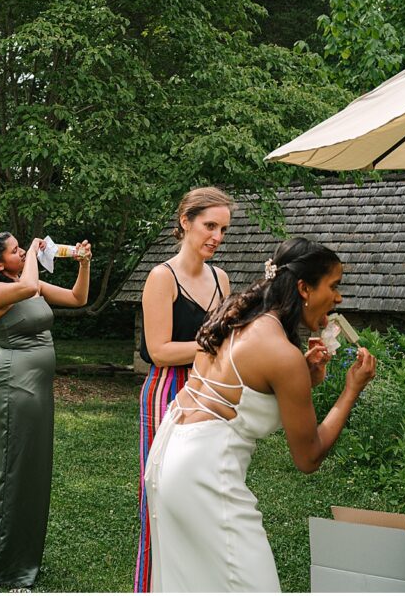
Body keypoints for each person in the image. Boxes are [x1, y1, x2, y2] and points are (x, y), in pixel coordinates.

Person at [144, 236, 377, 591]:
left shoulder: (238, 319)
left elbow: (239, 390)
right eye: (334, 286)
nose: (339, 297)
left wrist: (303, 376)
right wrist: (351, 390)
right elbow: (309, 457)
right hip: (205, 475)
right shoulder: (280, 353)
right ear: (304, 288)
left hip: (169, 457)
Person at [0, 232, 92, 588]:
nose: (24, 250)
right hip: (16, 388)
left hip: (38, 389)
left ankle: (25, 557)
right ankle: (3, 566)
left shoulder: (30, 281)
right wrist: (37, 251)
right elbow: (27, 287)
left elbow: (77, 297)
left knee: (34, 471)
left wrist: (83, 263)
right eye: (15, 250)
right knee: (14, 472)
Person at [135, 186, 234, 592]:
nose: (216, 236)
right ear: (185, 222)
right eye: (209, 225)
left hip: (209, 390)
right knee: (164, 500)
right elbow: (158, 351)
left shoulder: (221, 278)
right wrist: (212, 344)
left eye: (223, 229)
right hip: (167, 392)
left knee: (206, 497)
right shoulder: (162, 277)